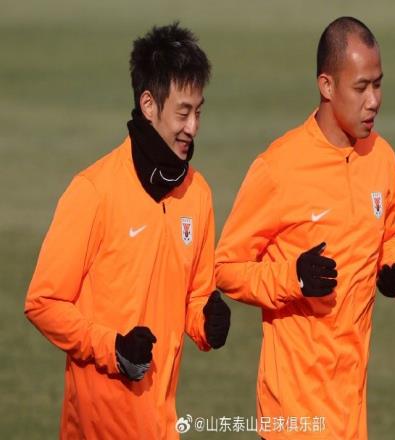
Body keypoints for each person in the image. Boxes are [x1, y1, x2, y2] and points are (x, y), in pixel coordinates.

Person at [25, 23, 230, 439]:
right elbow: (43, 302)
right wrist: (113, 348)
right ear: (149, 105)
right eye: (183, 113)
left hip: (161, 424)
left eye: (199, 112)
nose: (193, 127)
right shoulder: (93, 191)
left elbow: (196, 294)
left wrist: (206, 321)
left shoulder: (198, 194)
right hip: (96, 427)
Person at [215, 17, 395, 440]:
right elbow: (226, 268)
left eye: (378, 85)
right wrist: (293, 279)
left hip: (351, 414)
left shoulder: (382, 159)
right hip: (293, 414)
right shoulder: (278, 168)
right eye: (360, 88)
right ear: (327, 85)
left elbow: (388, 239)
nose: (373, 101)